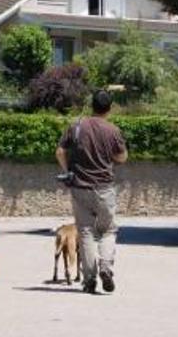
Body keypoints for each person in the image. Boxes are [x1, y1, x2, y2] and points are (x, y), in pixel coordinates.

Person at [55, 89, 128, 294]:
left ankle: (89, 280)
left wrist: (68, 171)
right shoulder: (113, 130)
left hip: (79, 187)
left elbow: (60, 151)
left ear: (92, 105)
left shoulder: (76, 126)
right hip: (104, 188)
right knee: (108, 229)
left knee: (86, 231)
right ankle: (106, 267)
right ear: (110, 108)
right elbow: (122, 157)